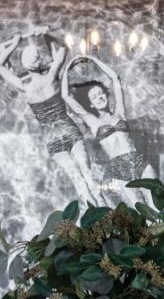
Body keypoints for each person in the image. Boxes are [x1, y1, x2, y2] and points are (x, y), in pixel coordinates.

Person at [0, 28, 100, 205]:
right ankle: (106, 214)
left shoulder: (24, 86)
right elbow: (64, 47)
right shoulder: (52, 76)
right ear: (40, 60)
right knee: (88, 175)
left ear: (26, 66)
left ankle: (93, 221)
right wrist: (46, 34)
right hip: (70, 130)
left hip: (52, 138)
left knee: (78, 181)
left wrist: (14, 42)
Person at [62, 56, 155, 197]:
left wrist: (93, 58)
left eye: (101, 93)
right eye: (95, 97)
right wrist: (68, 66)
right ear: (91, 104)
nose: (100, 97)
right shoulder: (92, 121)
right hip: (120, 170)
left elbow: (115, 79)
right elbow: (66, 96)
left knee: (160, 209)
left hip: (139, 162)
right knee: (140, 214)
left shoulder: (119, 113)